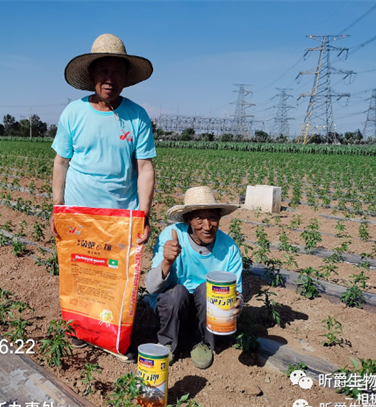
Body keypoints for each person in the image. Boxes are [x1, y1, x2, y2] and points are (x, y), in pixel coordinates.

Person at [49, 33, 156, 358]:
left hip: (119, 218)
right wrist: (57, 208)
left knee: (116, 279)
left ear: (126, 77)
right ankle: (80, 330)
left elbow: (145, 168)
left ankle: (114, 336)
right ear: (92, 75)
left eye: (117, 72)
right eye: (104, 71)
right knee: (81, 274)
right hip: (80, 215)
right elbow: (61, 162)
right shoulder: (74, 113)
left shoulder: (137, 116)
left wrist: (143, 215)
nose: (110, 79)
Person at [145, 186, 243, 369]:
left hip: (206, 311)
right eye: (199, 218)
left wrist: (237, 304)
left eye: (212, 218)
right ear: (187, 220)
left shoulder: (230, 249)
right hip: (173, 306)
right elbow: (151, 287)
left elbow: (237, 293)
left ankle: (203, 342)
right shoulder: (171, 237)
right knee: (178, 293)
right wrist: (167, 261)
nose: (207, 226)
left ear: (219, 219)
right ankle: (167, 342)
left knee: (209, 289)